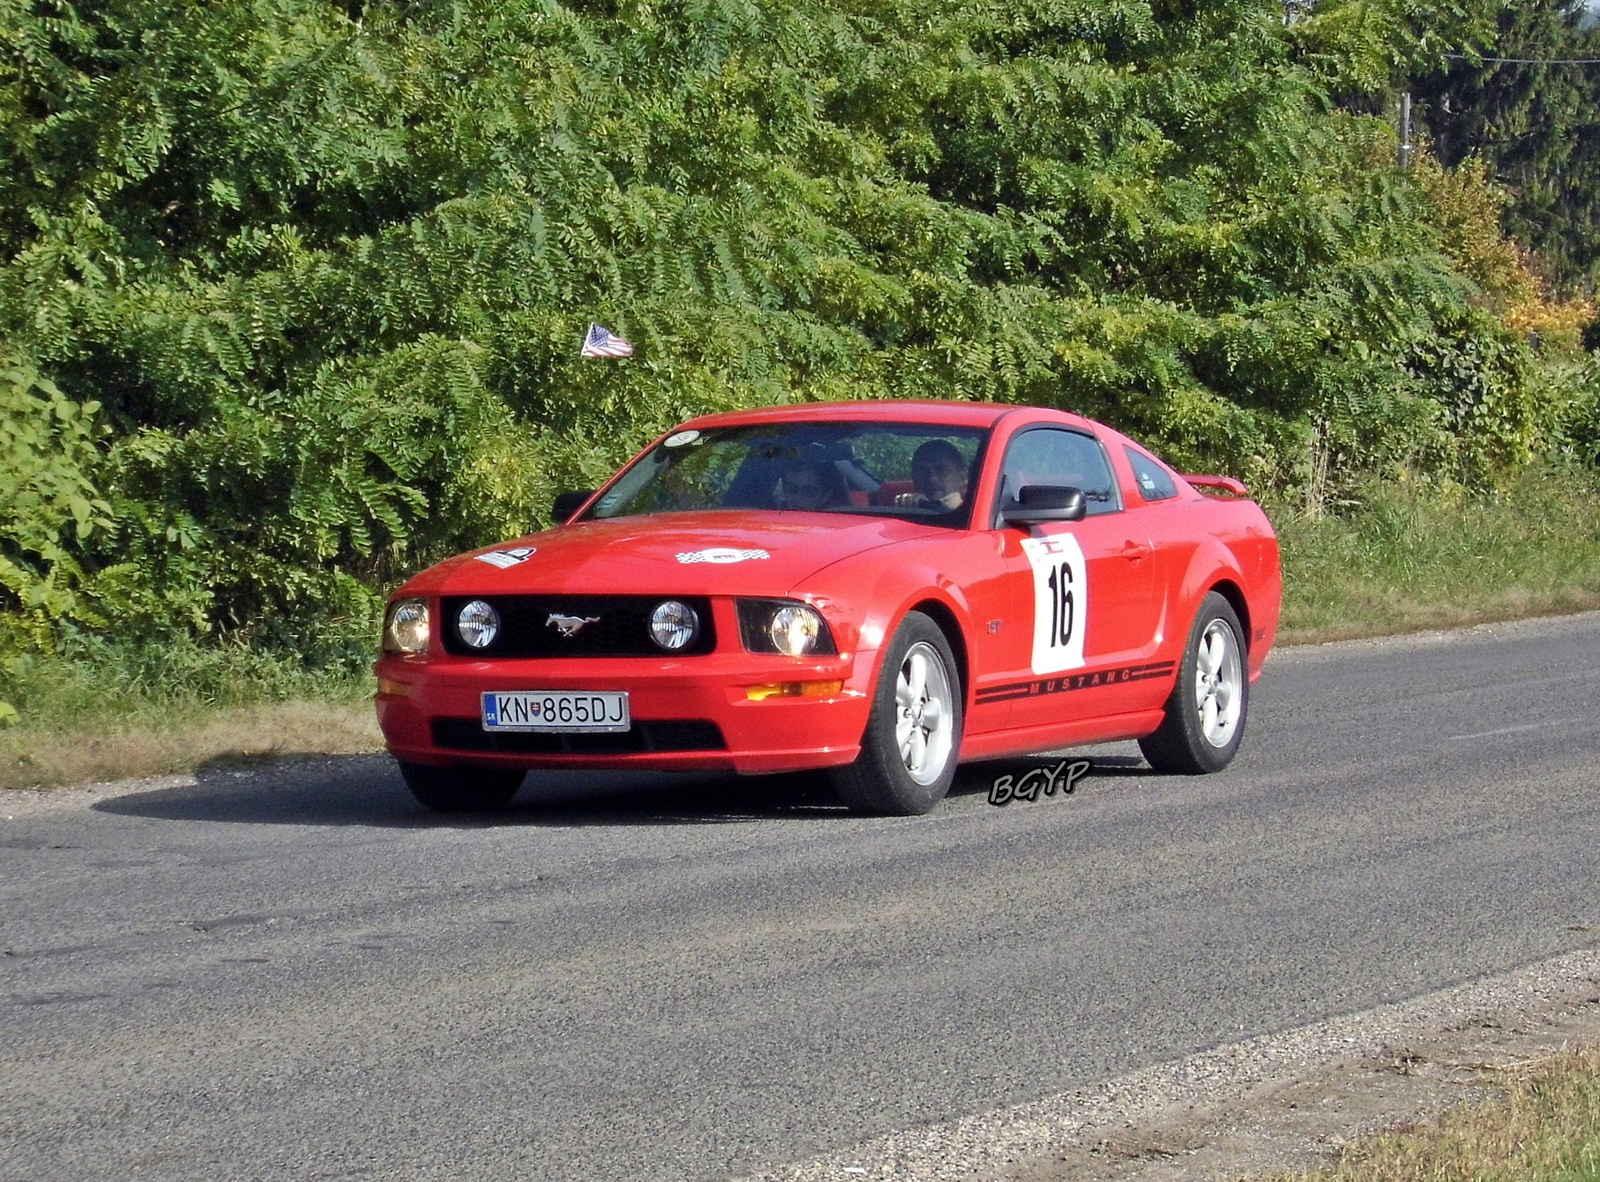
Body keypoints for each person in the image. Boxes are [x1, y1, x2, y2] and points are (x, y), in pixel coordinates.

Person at [896, 440, 969, 511]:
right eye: (922, 471)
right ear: (913, 477)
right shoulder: (895, 510)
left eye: (941, 470)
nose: (932, 478)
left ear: (962, 477)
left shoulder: (974, 514)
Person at [777, 460, 845, 511]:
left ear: (825, 496)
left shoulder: (843, 518)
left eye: (808, 491)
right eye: (791, 489)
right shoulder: (771, 513)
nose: (798, 497)